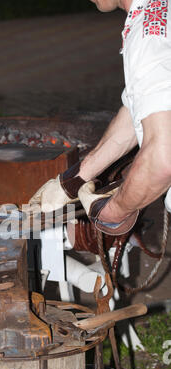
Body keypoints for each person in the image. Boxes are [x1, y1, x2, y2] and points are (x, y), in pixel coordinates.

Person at [27, 0, 171, 236]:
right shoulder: (160, 12)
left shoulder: (149, 37)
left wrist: (114, 212)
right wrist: (73, 181)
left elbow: (163, 161)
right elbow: (142, 107)